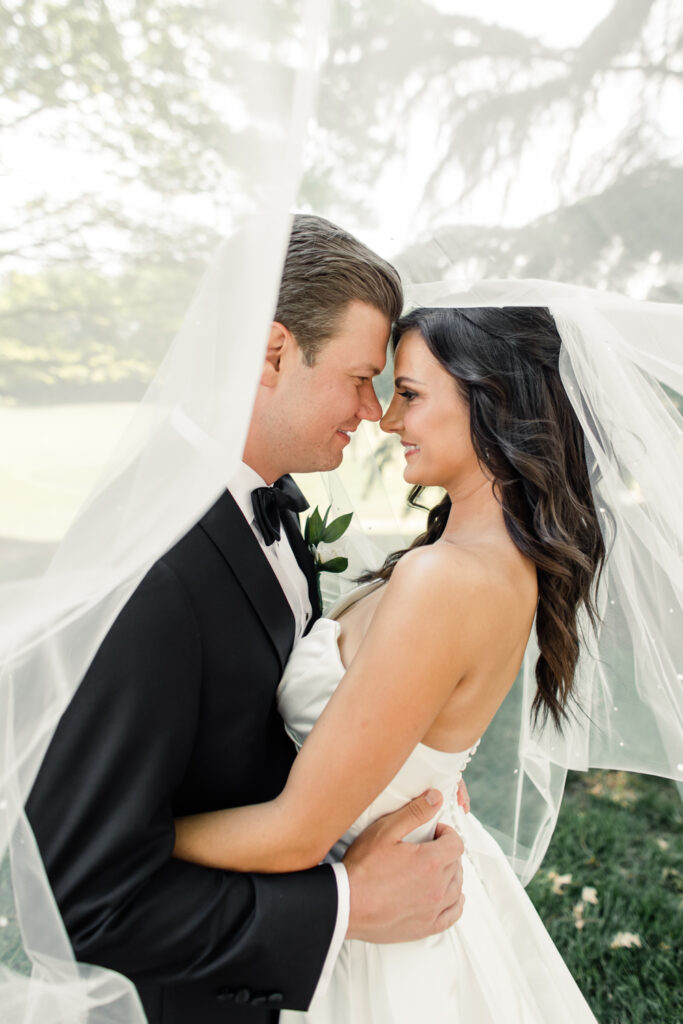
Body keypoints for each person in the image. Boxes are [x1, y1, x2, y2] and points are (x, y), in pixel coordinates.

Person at [24, 217, 466, 1024]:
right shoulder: (152, 569)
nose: (373, 413)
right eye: (360, 377)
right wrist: (343, 906)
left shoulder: (262, 507)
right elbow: (83, 896)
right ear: (270, 353)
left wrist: (385, 772)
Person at [171, 305, 610, 1023]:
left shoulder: (445, 581)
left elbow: (295, 833)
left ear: (489, 399)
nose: (384, 419)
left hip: (374, 931)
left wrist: (122, 840)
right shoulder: (492, 562)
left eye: (408, 394)